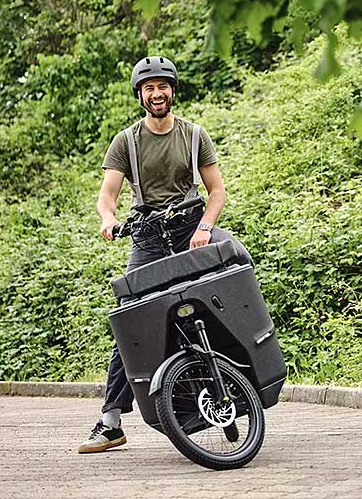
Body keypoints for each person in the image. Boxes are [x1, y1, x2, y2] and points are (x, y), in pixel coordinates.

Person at [77, 56, 251, 453]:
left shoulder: (194, 136)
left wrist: (205, 228)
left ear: (173, 90)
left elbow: (217, 191)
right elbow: (108, 195)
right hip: (147, 235)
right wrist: (108, 218)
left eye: (163, 86)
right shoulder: (127, 141)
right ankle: (111, 422)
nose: (157, 94)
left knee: (237, 265)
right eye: (149, 88)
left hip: (192, 226)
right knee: (130, 317)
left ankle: (247, 370)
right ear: (141, 95)